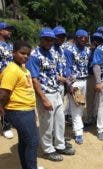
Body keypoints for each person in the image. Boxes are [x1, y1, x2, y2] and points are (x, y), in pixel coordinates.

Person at [26, 28, 75, 161]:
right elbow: (34, 79)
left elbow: (53, 75)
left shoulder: (51, 54)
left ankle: (59, 145)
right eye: (46, 39)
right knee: (46, 124)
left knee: (59, 121)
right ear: (40, 39)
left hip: (56, 91)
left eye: (52, 40)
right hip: (45, 94)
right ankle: (47, 149)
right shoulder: (35, 55)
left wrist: (66, 80)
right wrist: (43, 99)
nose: (49, 42)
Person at [0, 40, 40, 169]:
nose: (26, 56)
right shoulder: (11, 70)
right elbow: (3, 93)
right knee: (32, 142)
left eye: (28, 54)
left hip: (26, 110)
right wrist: (1, 108)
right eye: (22, 53)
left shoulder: (22, 68)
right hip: (18, 111)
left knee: (24, 141)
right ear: (13, 53)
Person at [64, 29, 90, 144]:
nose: (83, 39)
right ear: (76, 38)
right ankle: (78, 132)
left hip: (84, 80)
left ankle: (78, 125)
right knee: (76, 107)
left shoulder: (87, 50)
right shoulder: (69, 50)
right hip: (75, 82)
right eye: (81, 37)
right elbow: (68, 67)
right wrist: (69, 84)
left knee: (81, 105)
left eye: (85, 37)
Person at [84, 32, 103, 127]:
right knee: (90, 98)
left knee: (100, 99)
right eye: (95, 39)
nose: (96, 42)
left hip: (101, 77)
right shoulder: (88, 51)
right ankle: (89, 117)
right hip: (91, 77)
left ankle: (97, 117)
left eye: (99, 40)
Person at [0, 22, 15, 139]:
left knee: (7, 101)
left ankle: (6, 125)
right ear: (1, 31)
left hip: (10, 78)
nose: (10, 31)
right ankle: (5, 126)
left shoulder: (10, 46)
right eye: (7, 29)